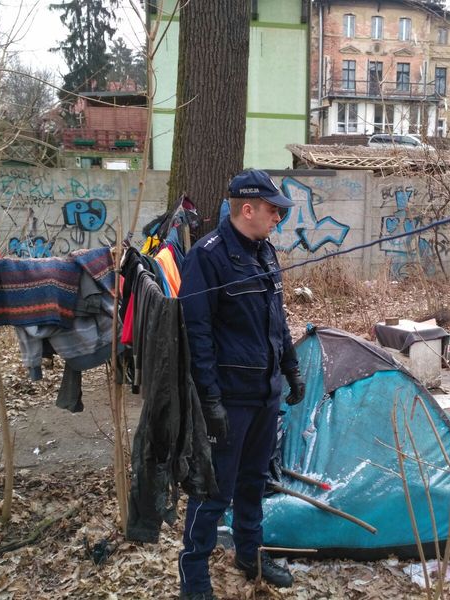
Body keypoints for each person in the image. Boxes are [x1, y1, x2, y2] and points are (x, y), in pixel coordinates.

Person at [177, 169, 306, 600]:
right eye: (273, 210)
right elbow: (196, 335)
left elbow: (277, 322)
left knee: (254, 483)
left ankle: (250, 554)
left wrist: (290, 368)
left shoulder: (266, 253)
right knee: (214, 489)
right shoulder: (207, 257)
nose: (278, 218)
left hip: (265, 395)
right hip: (229, 399)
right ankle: (193, 578)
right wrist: (209, 399)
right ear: (246, 209)